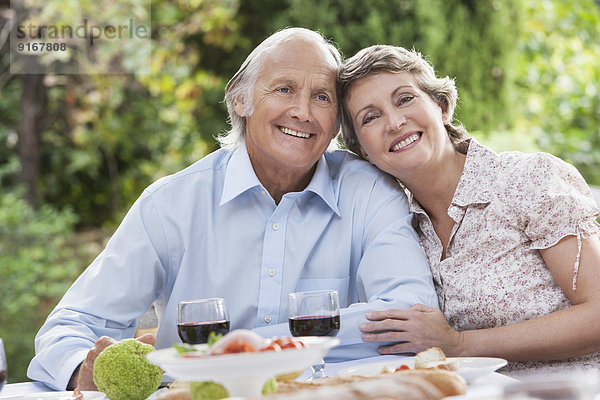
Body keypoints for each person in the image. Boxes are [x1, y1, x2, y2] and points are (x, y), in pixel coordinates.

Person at [27, 29, 438, 391]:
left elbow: (409, 312)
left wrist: (238, 352)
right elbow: (69, 327)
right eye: (283, 89)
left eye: (322, 97)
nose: (303, 111)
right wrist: (83, 366)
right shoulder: (171, 205)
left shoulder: (368, 193)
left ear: (335, 124)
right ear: (240, 100)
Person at [338, 44, 600, 375]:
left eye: (404, 99)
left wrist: (460, 344)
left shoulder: (528, 179)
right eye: (371, 117)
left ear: (441, 106)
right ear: (363, 151)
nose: (395, 122)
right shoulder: (399, 231)